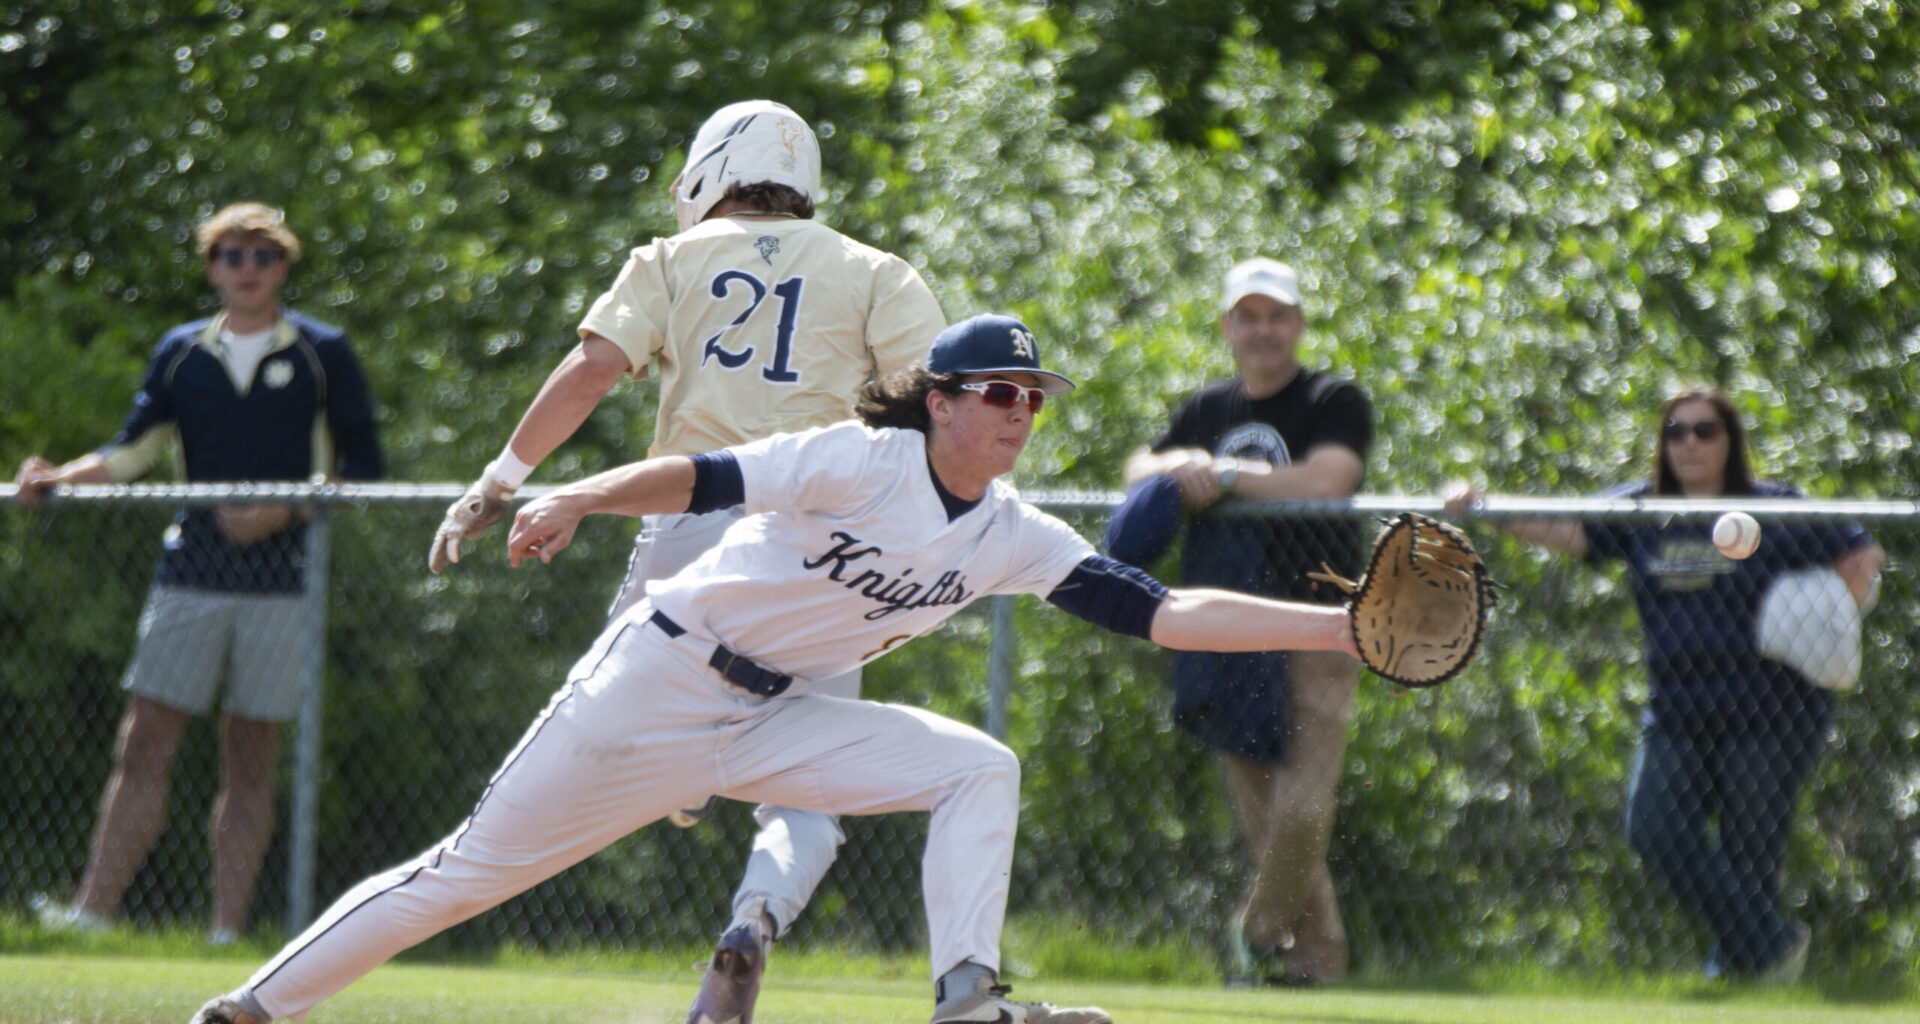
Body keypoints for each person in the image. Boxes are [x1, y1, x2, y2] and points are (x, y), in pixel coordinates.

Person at [187, 313, 1360, 1024]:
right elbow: (702, 477)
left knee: (978, 766)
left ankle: (966, 997)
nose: (1020, 412)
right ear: (940, 400)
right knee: (463, 876)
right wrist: (578, 495)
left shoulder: (1011, 531)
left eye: (1033, 398)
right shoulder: (862, 459)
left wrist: (1336, 631)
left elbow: (1163, 611)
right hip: (657, 684)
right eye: (1000, 393)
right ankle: (250, 1008)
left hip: (773, 720)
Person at [423, 99, 946, 1024]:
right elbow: (931, 410)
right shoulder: (876, 270)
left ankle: (673, 778)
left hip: (694, 516)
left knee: (605, 720)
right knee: (810, 793)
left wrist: (500, 479)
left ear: (712, 173)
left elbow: (592, 370)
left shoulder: (670, 258)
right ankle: (755, 917)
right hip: (823, 538)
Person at [14, 201, 384, 943]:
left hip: (284, 580)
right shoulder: (182, 351)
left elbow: (366, 471)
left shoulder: (324, 352)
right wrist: (57, 477)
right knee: (143, 742)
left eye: (263, 256)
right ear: (212, 268)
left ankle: (225, 934)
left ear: (283, 267)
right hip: (189, 572)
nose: (248, 269)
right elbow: (132, 451)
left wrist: (283, 511)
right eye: (233, 256)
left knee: (249, 758)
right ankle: (90, 917)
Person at [1444, 387, 1885, 982]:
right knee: (1654, 830)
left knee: (1751, 857)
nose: (1689, 443)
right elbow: (1567, 529)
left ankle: (1739, 976)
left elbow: (1861, 553)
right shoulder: (1644, 509)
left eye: (1705, 430)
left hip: (1774, 712)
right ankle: (1770, 949)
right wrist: (1481, 507)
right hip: (1678, 711)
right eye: (1676, 431)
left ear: (1730, 440)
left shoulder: (1774, 506)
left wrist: (1821, 622)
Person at [1116, 257, 1372, 986]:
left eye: (1277, 316)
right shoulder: (1209, 409)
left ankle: (1254, 935)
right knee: (1262, 816)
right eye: (1249, 317)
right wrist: (1179, 468)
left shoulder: (1331, 399)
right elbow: (1136, 469)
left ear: (1298, 324)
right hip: (1230, 628)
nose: (1263, 331)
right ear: (1229, 327)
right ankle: (1313, 964)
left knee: (1302, 808)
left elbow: (1329, 479)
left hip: (1320, 622)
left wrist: (1225, 477)